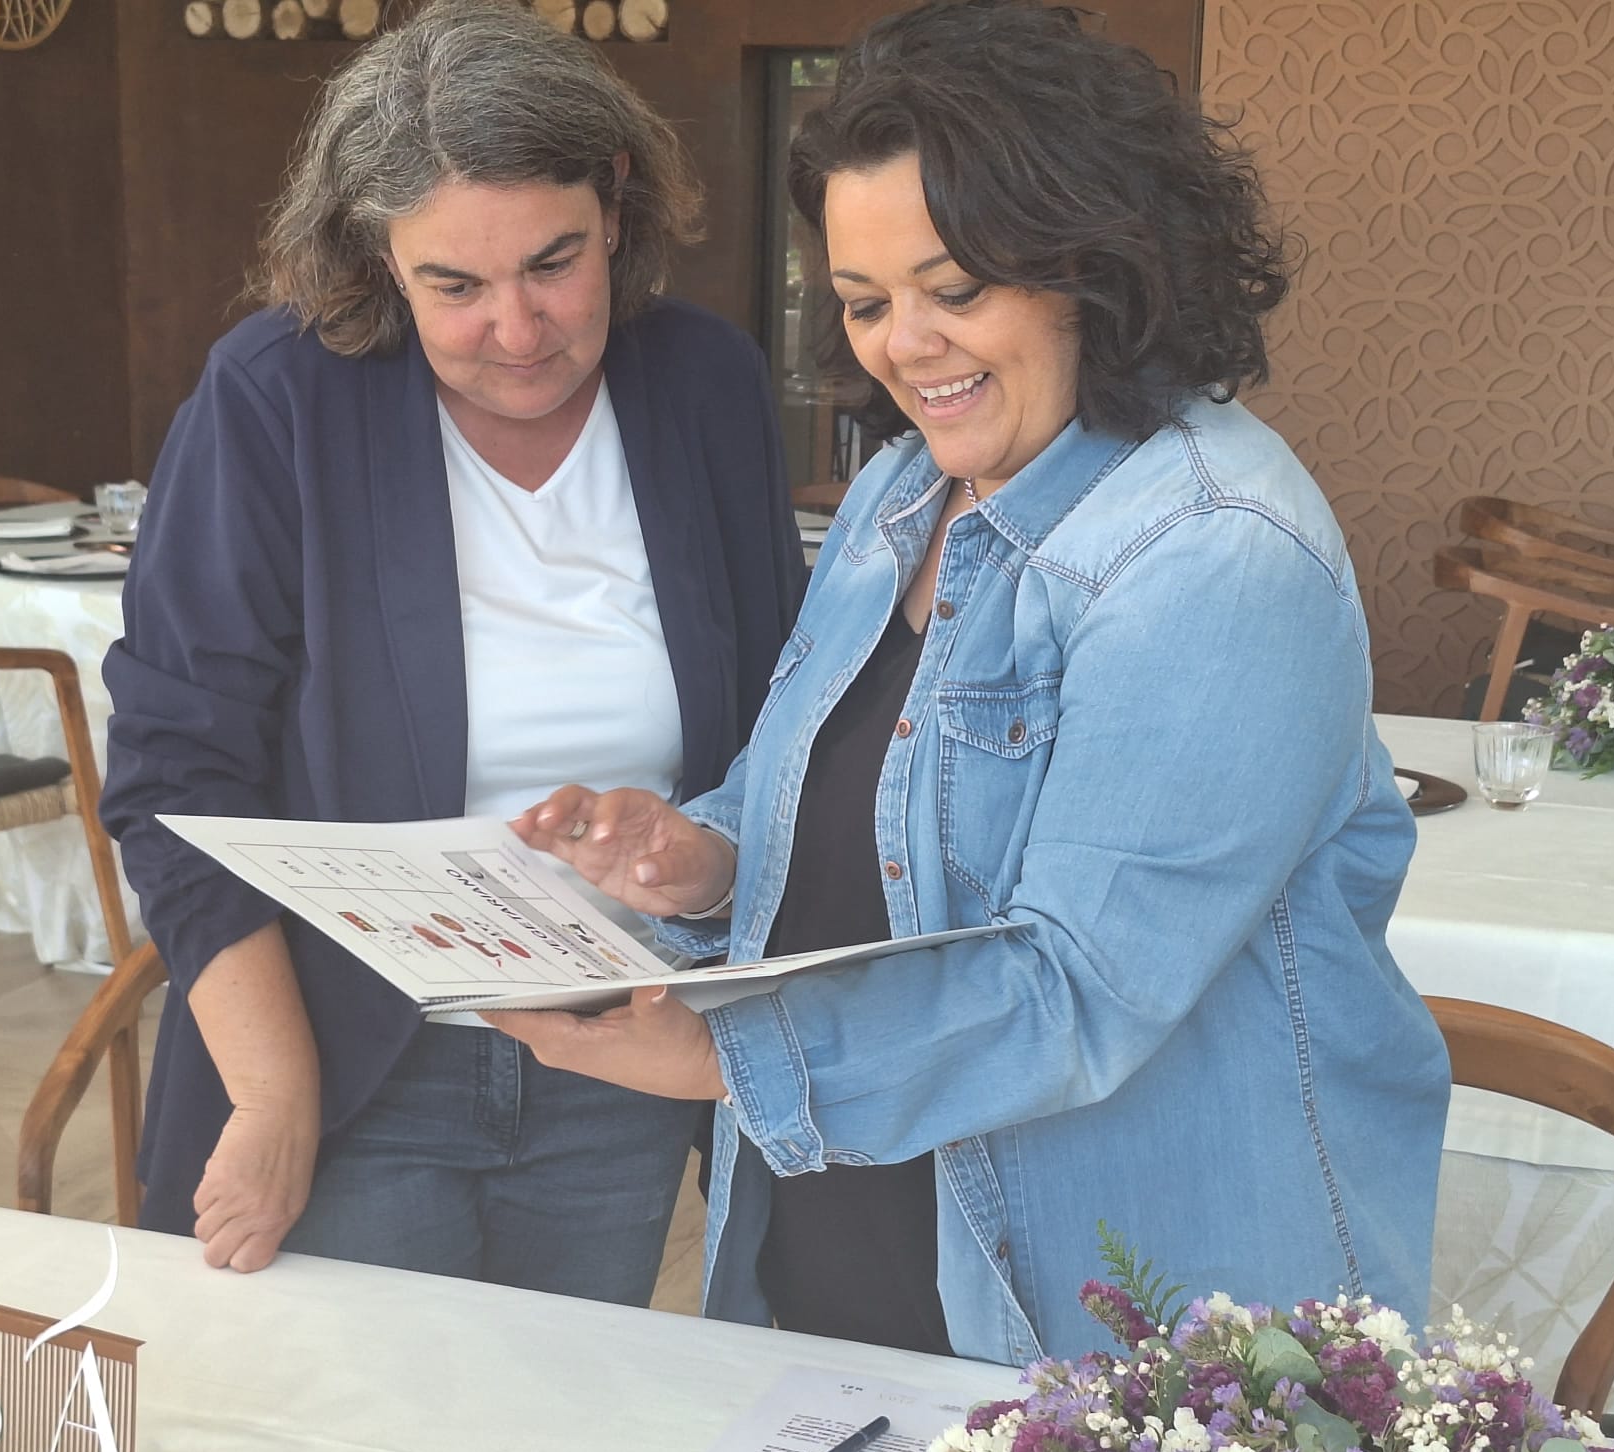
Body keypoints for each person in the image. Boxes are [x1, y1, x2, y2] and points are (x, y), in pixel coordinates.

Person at [494, 0, 1451, 1365]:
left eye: (957, 291)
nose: (906, 346)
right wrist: (700, 860)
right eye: (866, 303)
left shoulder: (1216, 553)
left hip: (1128, 1342)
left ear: (1094, 263)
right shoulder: (905, 491)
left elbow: (1075, 985)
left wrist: (705, 1058)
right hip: (848, 1281)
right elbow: (847, 821)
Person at [100, 0, 803, 1300]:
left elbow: (782, 733)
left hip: (621, 1049)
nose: (520, 329)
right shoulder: (278, 399)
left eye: (555, 262)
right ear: (377, 255)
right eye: (455, 285)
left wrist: (695, 870)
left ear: (618, 198)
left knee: (551, 1442)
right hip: (352, 1051)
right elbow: (172, 775)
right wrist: (276, 1088)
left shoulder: (704, 386)